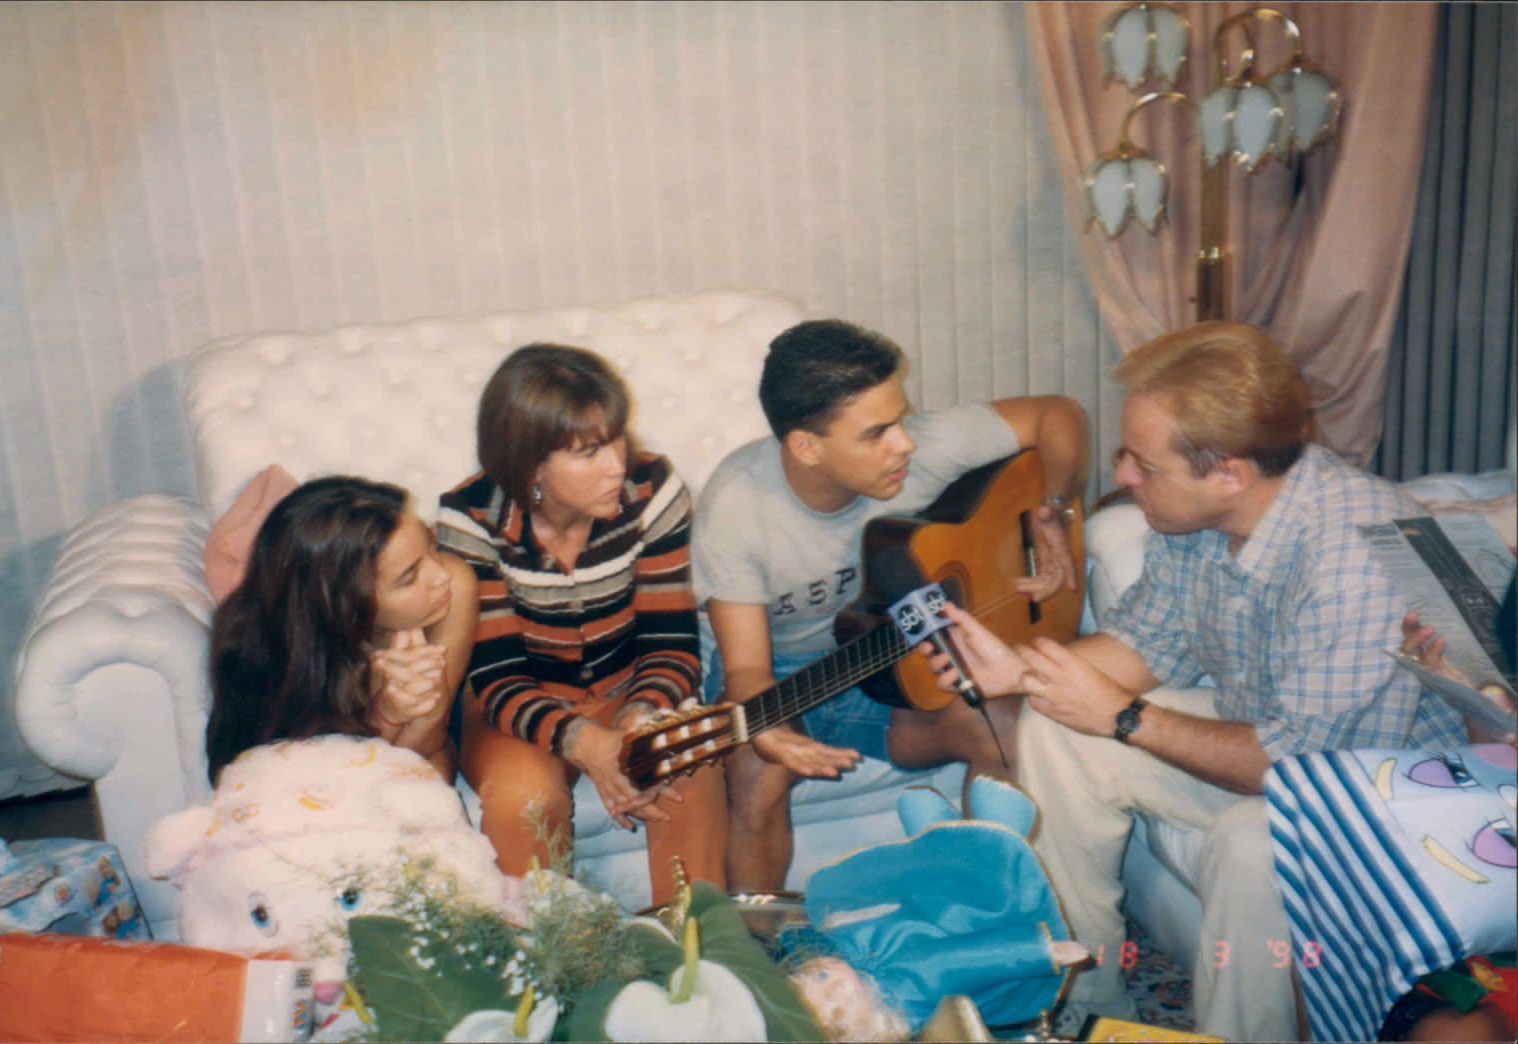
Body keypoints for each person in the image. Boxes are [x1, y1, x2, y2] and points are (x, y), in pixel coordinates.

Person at [922, 321, 1468, 1041]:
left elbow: (1296, 770)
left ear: (1230, 473)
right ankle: (1086, 1009)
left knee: (1252, 841)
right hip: (1273, 737)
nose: (1121, 478)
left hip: (1389, 792)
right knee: (1054, 720)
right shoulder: (1197, 520)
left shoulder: (1356, 556)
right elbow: (1143, 645)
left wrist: (1124, 718)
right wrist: (1019, 671)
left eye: (1142, 465)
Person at [692, 318, 1089, 892]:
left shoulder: (920, 451)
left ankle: (981, 907)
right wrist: (767, 730)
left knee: (1005, 726)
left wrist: (1055, 511)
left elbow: (1059, 414)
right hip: (775, 670)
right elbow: (748, 669)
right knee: (760, 773)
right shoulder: (737, 507)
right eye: (875, 433)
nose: (904, 442)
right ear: (806, 447)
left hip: (884, 657)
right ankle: (758, 947)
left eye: (899, 420)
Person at [436, 343, 725, 906]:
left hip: (626, 687)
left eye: (614, 438)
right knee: (525, 798)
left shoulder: (653, 490)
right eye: (588, 452)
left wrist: (640, 719)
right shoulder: (470, 518)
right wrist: (588, 745)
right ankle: (552, 968)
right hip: (514, 706)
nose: (616, 464)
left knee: (690, 763)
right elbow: (495, 677)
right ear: (530, 467)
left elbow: (673, 642)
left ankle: (701, 957)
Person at [206, 475, 477, 785]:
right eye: (409, 577)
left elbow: (428, 744)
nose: (440, 574)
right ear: (348, 604)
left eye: (432, 547)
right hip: (316, 772)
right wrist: (387, 714)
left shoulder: (453, 586)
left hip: (407, 753)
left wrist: (428, 704)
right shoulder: (254, 650)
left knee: (433, 773)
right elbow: (299, 779)